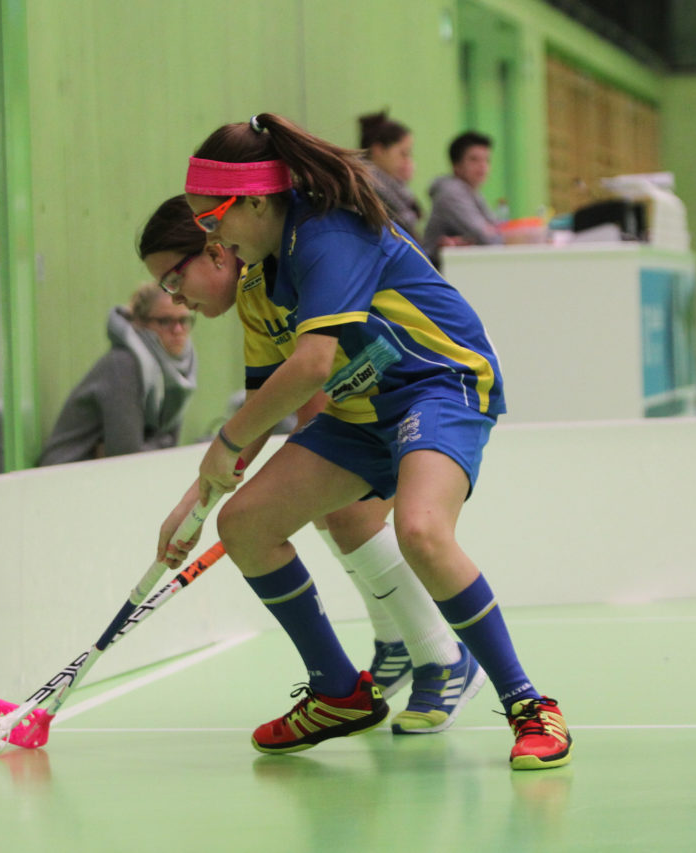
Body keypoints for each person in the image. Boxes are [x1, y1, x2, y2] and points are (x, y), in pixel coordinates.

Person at [154, 113, 570, 770]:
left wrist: (224, 441)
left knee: (422, 528)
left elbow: (313, 365)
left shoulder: (328, 234)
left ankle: (528, 703)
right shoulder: (260, 284)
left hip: (440, 383)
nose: (215, 236)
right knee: (245, 524)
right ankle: (337, 690)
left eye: (214, 219)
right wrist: (196, 502)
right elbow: (268, 406)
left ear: (255, 201)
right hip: (362, 410)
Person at [138, 195, 483, 735]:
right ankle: (393, 643)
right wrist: (193, 507)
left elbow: (317, 384)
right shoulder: (256, 297)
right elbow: (259, 412)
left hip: (419, 392)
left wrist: (299, 462)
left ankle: (441, 657)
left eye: (173, 280)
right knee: (327, 513)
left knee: (350, 514)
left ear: (216, 252)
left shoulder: (307, 260)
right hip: (364, 404)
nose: (176, 299)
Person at [38, 282, 196, 464]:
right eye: (165, 321)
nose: (178, 330)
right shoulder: (123, 365)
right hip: (65, 475)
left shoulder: (176, 370)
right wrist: (161, 444)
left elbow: (168, 445)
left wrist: (157, 445)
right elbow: (125, 456)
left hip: (105, 474)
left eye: (184, 320)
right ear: (140, 323)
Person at [421, 130, 505, 263]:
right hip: (438, 273)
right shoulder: (451, 192)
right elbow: (486, 237)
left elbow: (496, 230)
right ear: (456, 165)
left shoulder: (471, 192)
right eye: (474, 159)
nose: (482, 166)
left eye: (486, 160)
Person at [357, 110, 422, 240]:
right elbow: (405, 226)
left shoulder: (387, 183)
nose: (407, 160)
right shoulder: (370, 182)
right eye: (403, 153)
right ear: (378, 150)